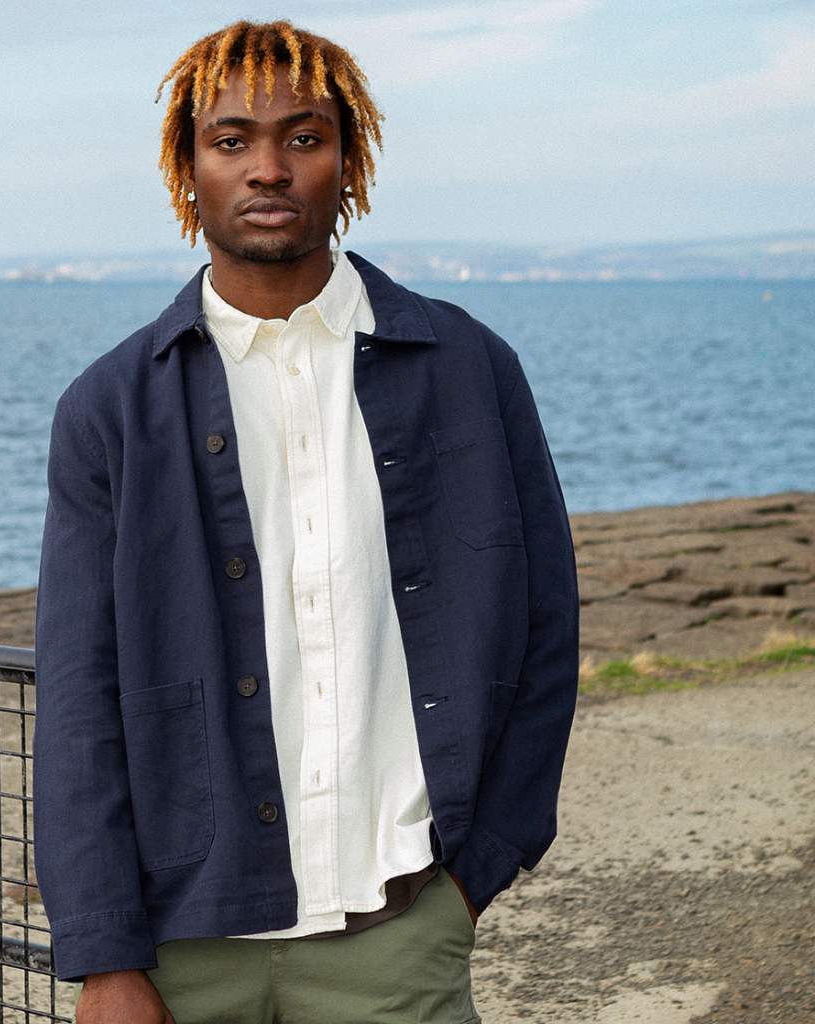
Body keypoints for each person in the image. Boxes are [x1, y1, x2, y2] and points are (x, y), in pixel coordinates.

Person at [32, 18, 579, 1024]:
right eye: (231, 140)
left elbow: (546, 630)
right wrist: (103, 957)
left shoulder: (469, 372)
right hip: (177, 951)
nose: (268, 169)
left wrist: (477, 872)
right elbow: (77, 699)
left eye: (304, 136)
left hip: (399, 934)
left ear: (349, 158)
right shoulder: (110, 410)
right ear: (186, 168)